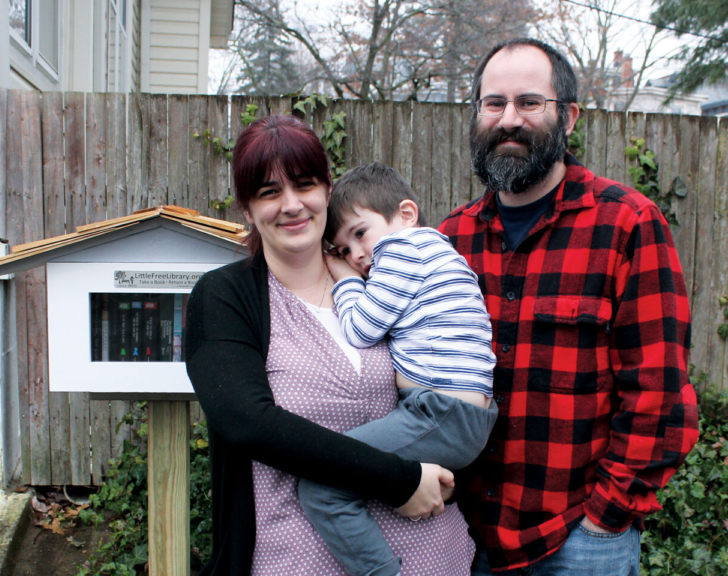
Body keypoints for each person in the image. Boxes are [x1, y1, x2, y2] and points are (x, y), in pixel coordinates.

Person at [437, 38, 700, 576]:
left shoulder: (626, 224)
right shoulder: (450, 239)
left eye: (530, 102)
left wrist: (607, 516)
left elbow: (660, 393)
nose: (509, 119)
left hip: (577, 543)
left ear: (569, 117)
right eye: (494, 103)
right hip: (462, 539)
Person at [185, 115, 475, 576]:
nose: (292, 205)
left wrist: (454, 476)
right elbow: (247, 422)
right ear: (247, 209)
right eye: (269, 192)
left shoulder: (379, 277)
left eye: (305, 185)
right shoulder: (226, 296)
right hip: (296, 560)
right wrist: (398, 481)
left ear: (327, 190)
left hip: (435, 555)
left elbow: (452, 384)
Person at [297, 162, 498, 576]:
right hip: (456, 415)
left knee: (322, 486)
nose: (356, 255)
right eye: (343, 250)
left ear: (406, 214)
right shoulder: (437, 252)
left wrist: (342, 277)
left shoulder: (402, 250)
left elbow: (360, 328)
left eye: (359, 234)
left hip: (439, 414)